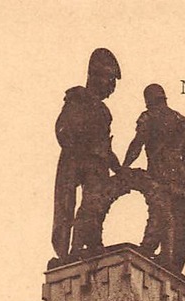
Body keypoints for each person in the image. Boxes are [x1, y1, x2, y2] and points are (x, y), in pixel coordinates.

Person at [51, 48, 122, 261]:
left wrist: (118, 167)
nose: (111, 89)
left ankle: (89, 244)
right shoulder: (76, 99)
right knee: (66, 206)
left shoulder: (105, 112)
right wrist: (79, 149)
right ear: (95, 76)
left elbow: (106, 147)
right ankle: (65, 253)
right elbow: (62, 129)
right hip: (75, 159)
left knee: (94, 204)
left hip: (97, 164)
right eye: (109, 81)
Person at [122, 83, 185, 272]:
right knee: (180, 224)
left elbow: (137, 144)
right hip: (180, 179)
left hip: (159, 176)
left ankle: (155, 252)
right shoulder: (182, 120)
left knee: (160, 215)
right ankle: (173, 264)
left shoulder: (148, 117)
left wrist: (124, 167)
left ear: (148, 100)